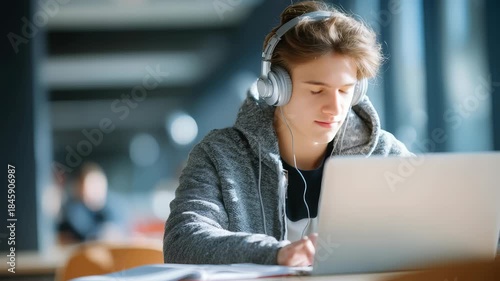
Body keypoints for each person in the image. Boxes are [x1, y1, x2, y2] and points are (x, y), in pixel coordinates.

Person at [163, 0, 412, 266]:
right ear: (276, 88)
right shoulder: (220, 156)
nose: (334, 108)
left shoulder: (385, 155)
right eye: (316, 91)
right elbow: (183, 242)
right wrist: (276, 254)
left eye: (344, 91)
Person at [57, 162, 125, 244]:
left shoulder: (117, 205)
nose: (94, 189)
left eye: (96, 183)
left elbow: (120, 229)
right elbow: (83, 232)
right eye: (89, 184)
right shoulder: (74, 208)